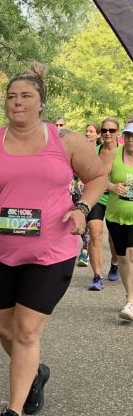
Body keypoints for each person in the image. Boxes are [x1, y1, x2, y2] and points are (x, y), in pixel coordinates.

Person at [0, 64, 106, 416]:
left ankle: (12, 414)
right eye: (11, 96)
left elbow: (97, 178)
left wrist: (82, 209)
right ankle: (35, 372)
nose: (17, 102)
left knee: (26, 330)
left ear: (41, 103)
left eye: (26, 96)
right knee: (7, 331)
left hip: (52, 251)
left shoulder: (67, 142)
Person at [105, 119, 133, 321]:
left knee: (131, 254)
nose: (131, 140)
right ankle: (129, 297)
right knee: (122, 258)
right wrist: (113, 187)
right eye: (128, 135)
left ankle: (132, 301)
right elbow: (99, 178)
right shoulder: (115, 154)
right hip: (116, 214)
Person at [87, 118, 120, 291]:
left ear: (118, 133)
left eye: (112, 130)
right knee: (95, 232)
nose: (108, 133)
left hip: (117, 199)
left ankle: (115, 263)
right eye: (105, 130)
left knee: (114, 237)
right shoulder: (94, 151)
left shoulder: (124, 152)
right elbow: (89, 174)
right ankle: (97, 275)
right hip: (97, 196)